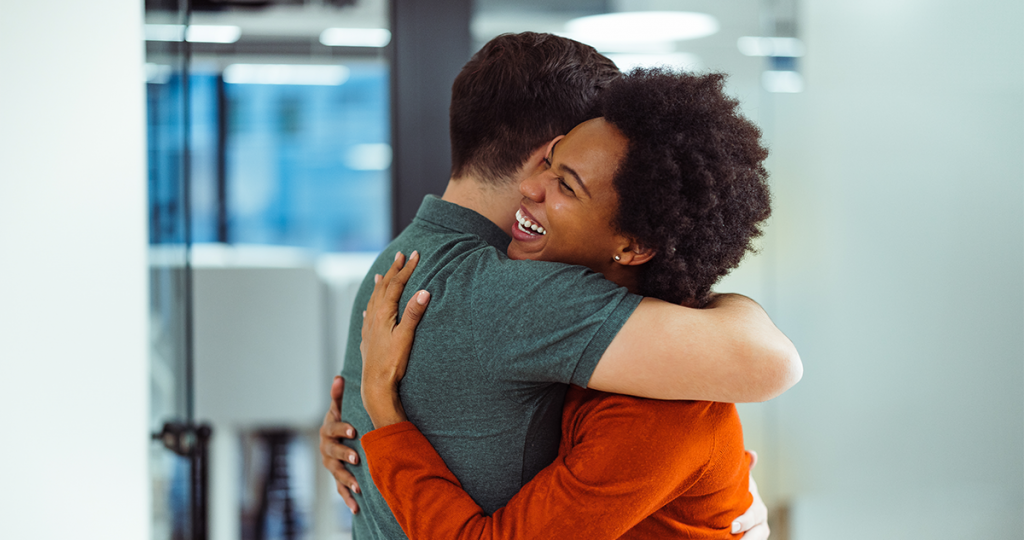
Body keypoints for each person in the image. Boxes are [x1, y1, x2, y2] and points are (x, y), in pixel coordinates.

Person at [321, 33, 801, 540]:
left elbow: (687, 435)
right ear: (542, 151)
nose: (538, 188)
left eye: (568, 180)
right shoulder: (522, 297)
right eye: (556, 163)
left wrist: (379, 412)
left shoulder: (397, 261)